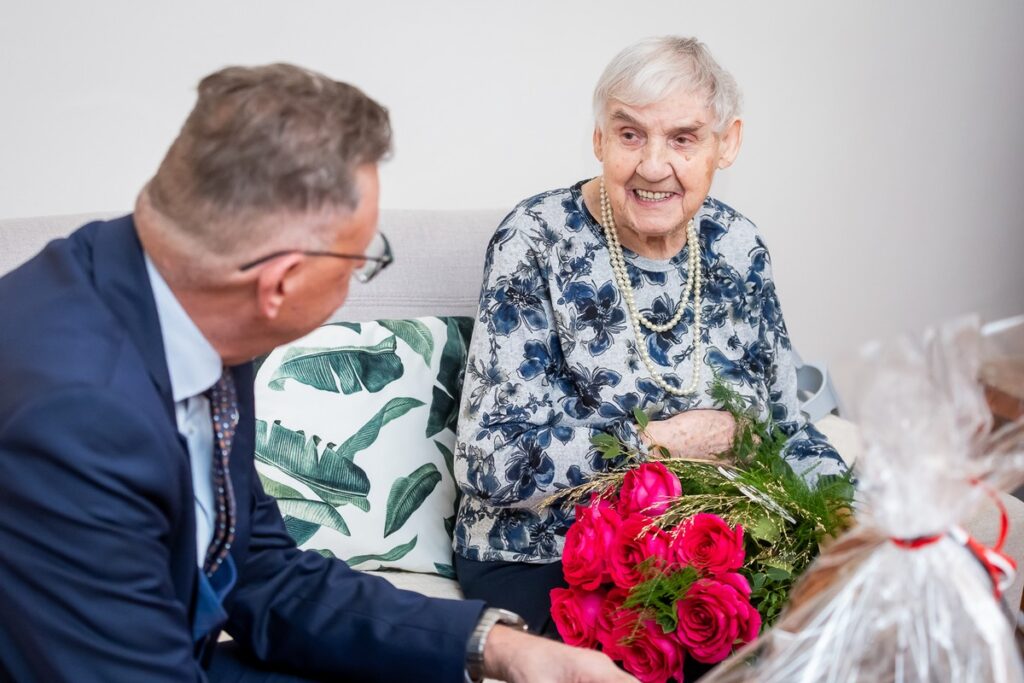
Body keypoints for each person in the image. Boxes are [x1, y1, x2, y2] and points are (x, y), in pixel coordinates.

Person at [0, 64, 636, 683]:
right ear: (279, 284)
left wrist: (498, 649)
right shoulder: (74, 415)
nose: (362, 272)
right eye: (363, 259)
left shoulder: (188, 309)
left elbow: (256, 569)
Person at [452, 35, 848, 650]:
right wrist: (658, 443)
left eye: (683, 138)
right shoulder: (534, 241)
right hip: (545, 554)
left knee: (854, 628)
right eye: (630, 134)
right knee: (683, 653)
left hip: (704, 550)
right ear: (599, 141)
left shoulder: (737, 247)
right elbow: (489, 460)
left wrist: (851, 514)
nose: (653, 165)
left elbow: (786, 428)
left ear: (728, 142)